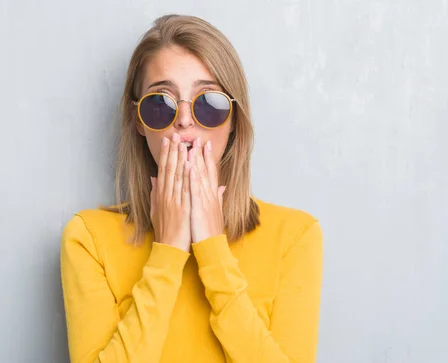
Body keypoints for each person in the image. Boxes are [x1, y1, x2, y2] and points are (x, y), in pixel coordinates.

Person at [60, 14, 323, 363]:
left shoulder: (295, 236)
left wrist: (213, 253)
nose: (184, 120)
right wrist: (167, 252)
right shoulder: (88, 239)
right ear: (139, 121)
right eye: (161, 103)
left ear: (233, 120)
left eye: (208, 103)